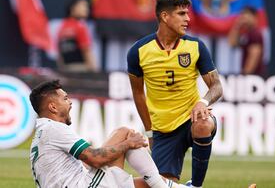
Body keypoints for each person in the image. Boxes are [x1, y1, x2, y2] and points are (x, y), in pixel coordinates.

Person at [127, 0, 223, 188]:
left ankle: (196, 185)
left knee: (203, 123)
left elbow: (217, 86)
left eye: (187, 14)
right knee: (160, 185)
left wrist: (202, 102)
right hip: (163, 130)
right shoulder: (138, 51)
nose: (188, 19)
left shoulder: (196, 46)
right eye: (181, 14)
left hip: (192, 118)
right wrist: (150, 132)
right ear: (164, 16)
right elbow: (138, 93)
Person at [29, 80, 188, 188]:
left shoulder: (43, 133)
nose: (70, 102)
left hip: (80, 182)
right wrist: (129, 144)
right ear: (53, 107)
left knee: (147, 184)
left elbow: (86, 163)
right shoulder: (55, 129)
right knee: (125, 134)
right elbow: (96, 160)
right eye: (65, 98)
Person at [57, 0, 98, 72]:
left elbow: (60, 55)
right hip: (82, 70)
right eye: (82, 6)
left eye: (87, 6)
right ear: (73, 8)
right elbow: (86, 50)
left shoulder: (62, 27)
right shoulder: (80, 26)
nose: (86, 9)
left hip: (66, 70)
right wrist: (94, 71)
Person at [227, 6, 265, 75]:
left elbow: (254, 56)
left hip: (254, 76)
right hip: (247, 75)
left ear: (254, 17)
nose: (244, 18)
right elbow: (232, 43)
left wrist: (246, 74)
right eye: (242, 15)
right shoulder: (246, 34)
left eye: (247, 15)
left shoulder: (255, 33)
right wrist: (237, 26)